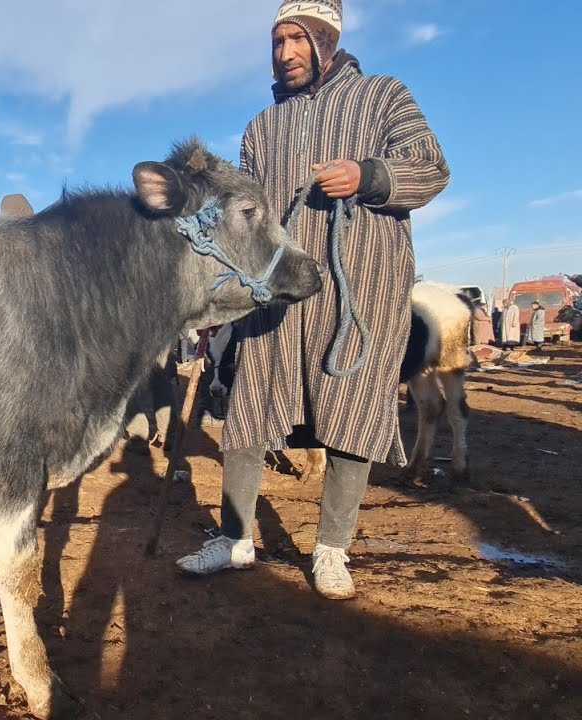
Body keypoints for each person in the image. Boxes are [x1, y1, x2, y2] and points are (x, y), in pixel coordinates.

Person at [176, 0, 449, 600]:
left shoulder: (382, 97)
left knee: (351, 411)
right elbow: (242, 210)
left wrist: (369, 175)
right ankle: (236, 539)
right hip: (276, 294)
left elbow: (431, 169)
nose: (285, 52)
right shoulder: (260, 128)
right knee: (248, 409)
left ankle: (331, 550)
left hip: (361, 288)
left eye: (298, 39)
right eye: (277, 41)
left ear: (325, 40)